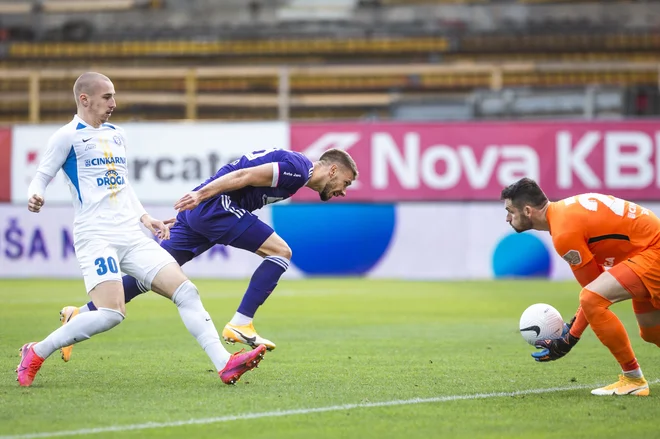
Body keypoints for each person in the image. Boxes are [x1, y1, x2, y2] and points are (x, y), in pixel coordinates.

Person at [17, 72, 266, 387]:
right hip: (96, 237)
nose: (114, 103)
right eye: (107, 97)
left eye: (113, 96)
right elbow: (41, 176)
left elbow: (121, 184)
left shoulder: (117, 134)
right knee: (111, 314)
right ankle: (36, 351)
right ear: (84, 99)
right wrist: (34, 195)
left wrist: (145, 217)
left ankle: (225, 364)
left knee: (186, 291)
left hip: (131, 235)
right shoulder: (66, 137)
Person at [57, 146, 359, 361]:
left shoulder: (296, 175)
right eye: (345, 182)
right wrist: (201, 197)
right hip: (215, 206)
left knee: (152, 274)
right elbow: (244, 176)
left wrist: (189, 213)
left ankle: (80, 314)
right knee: (281, 252)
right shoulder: (297, 168)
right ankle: (241, 322)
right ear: (332, 169)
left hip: (207, 210)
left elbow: (238, 179)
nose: (342, 190)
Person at [500, 177, 660, 396]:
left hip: (652, 251)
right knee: (651, 331)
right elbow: (596, 286)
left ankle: (633, 379)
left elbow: (592, 292)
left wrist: (570, 337)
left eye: (510, 211)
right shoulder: (563, 213)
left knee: (591, 299)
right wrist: (571, 332)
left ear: (527, 211)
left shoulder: (564, 233)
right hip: (644, 253)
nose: (507, 218)